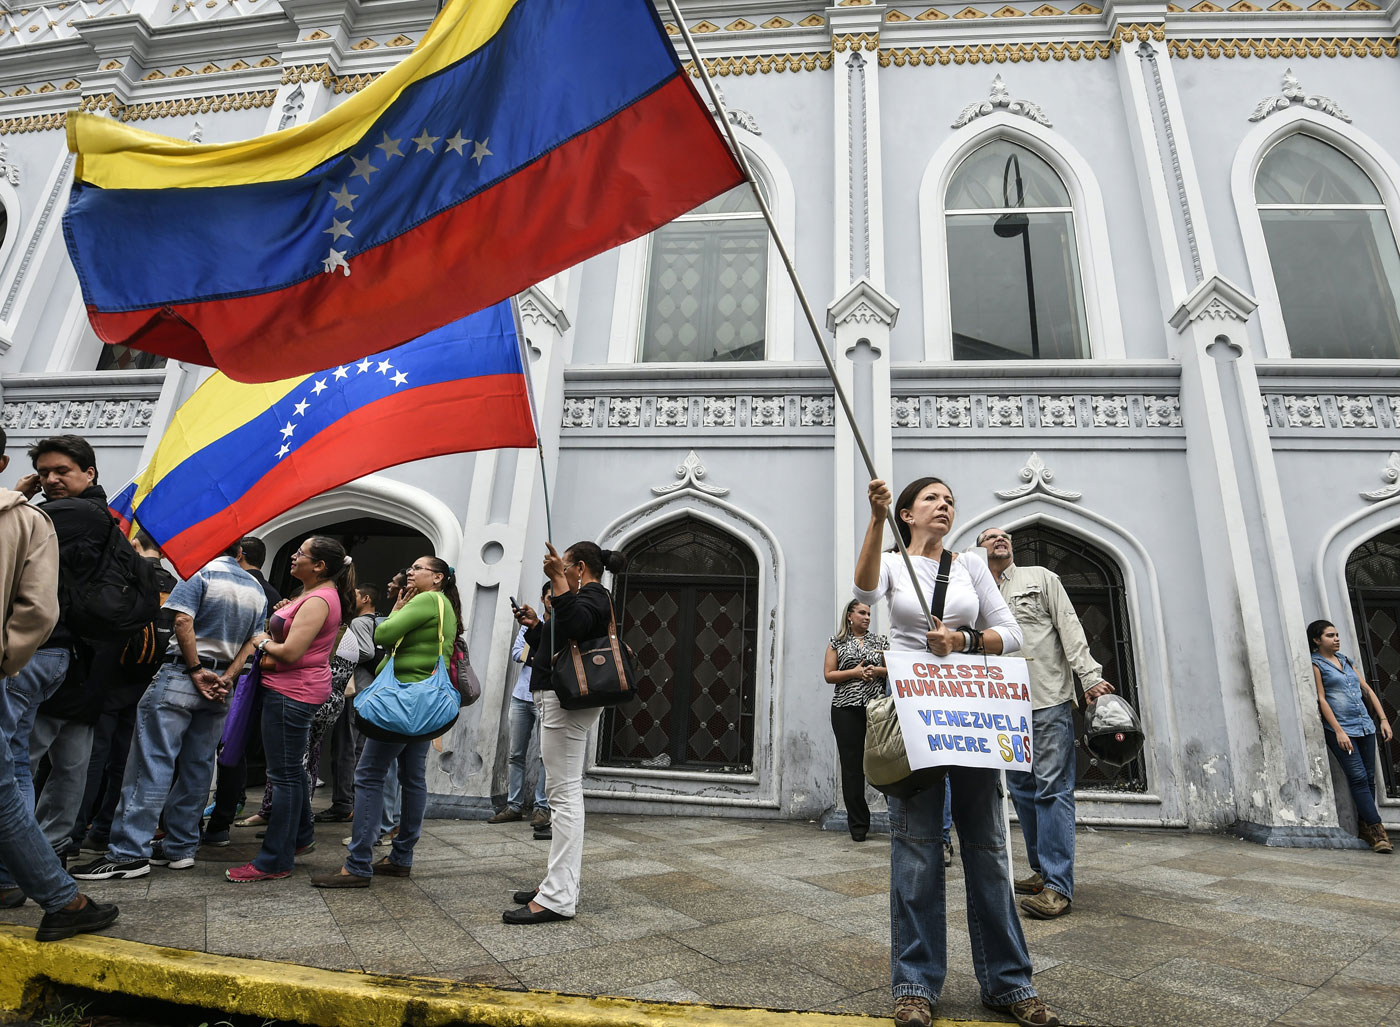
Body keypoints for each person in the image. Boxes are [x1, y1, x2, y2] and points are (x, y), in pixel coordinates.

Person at [855, 478, 1056, 1027]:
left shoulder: (969, 564)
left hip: (972, 712)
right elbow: (866, 590)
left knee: (988, 849)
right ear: (906, 513)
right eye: (931, 500)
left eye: (949, 500)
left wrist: (963, 642)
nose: (944, 506)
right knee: (917, 850)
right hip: (915, 714)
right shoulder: (894, 563)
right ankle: (914, 983)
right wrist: (876, 521)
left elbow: (1012, 634)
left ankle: (1008, 981)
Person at [70, 544, 266, 880]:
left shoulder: (200, 572)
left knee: (151, 762)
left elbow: (181, 621)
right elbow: (255, 639)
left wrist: (194, 669)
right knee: (198, 766)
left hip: (182, 676)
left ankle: (129, 852)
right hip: (221, 685)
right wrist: (228, 676)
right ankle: (181, 846)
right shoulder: (255, 587)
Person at [0, 427, 118, 940]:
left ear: (90, 474)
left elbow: (37, 611)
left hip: (37, 659)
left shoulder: (50, 517)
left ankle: (51, 891)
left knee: (19, 769)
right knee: (19, 768)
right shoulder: (31, 514)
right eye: (43, 472)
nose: (49, 480)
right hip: (46, 660)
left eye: (60, 472)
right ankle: (30, 882)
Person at [978, 527, 1114, 920]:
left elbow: (1070, 627)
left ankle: (1058, 886)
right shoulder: (976, 593)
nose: (1000, 538)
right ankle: (1041, 872)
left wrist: (1088, 676)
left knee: (1053, 789)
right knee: (1021, 789)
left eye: (1004, 535)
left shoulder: (1040, 577)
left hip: (1047, 698)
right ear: (979, 550)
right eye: (990, 536)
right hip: (1002, 706)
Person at [311, 556, 460, 888]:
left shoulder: (426, 600)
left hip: (400, 703)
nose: (410, 571)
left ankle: (358, 863)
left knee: (368, 775)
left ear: (437, 577)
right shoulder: (443, 604)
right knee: (412, 778)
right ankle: (401, 857)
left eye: (418, 568)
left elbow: (384, 633)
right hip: (424, 705)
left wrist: (395, 611)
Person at [504, 541, 627, 925]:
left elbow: (576, 623)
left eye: (565, 566)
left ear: (579, 567)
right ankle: (555, 885)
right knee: (561, 792)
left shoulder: (593, 594)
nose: (559, 570)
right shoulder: (578, 596)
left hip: (565, 702)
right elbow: (560, 643)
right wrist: (537, 627)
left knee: (564, 795)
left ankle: (558, 896)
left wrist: (558, 581)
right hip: (557, 698)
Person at [227, 536, 351, 883]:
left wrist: (260, 640)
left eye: (300, 554)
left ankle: (273, 860)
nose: (293, 557)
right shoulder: (311, 595)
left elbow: (292, 651)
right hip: (292, 689)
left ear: (320, 566)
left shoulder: (320, 599)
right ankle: (298, 837)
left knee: (283, 776)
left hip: (291, 692)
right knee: (293, 773)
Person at [72, 530, 178, 857]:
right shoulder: (176, 586)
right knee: (125, 760)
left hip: (109, 678)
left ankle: (74, 834)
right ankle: (105, 827)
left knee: (91, 758)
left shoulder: (123, 575)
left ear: (134, 544)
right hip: (148, 680)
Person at [204, 536, 278, 839]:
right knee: (235, 746)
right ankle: (224, 817)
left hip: (221, 674)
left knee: (207, 749)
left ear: (239, 555)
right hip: (250, 677)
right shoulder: (270, 591)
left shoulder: (227, 582)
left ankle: (208, 817)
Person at [1308, 620, 1393, 854]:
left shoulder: (1345, 660)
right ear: (1317, 640)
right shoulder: (1317, 664)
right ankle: (1378, 832)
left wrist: (1383, 719)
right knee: (1357, 778)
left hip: (1364, 725)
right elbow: (1322, 699)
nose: (1336, 639)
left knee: (1369, 779)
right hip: (1342, 729)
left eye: (1336, 635)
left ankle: (1366, 826)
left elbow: (1366, 689)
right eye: (1329, 635)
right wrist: (1338, 730)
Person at [490, 584, 552, 833]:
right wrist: (539, 656)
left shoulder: (559, 626)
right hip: (521, 696)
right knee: (516, 754)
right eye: (549, 598)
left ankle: (542, 806)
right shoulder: (529, 625)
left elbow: (552, 654)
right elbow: (518, 653)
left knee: (545, 756)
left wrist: (535, 652)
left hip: (546, 697)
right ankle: (514, 805)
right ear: (542, 598)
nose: (552, 602)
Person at [824, 599, 887, 842]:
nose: (867, 617)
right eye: (862, 612)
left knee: (885, 763)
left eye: (869, 613)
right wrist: (855, 673)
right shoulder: (836, 642)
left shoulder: (880, 641)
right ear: (849, 616)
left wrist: (875, 671)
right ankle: (858, 826)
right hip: (845, 710)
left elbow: (892, 668)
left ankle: (899, 819)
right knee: (852, 770)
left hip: (876, 710)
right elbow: (829, 675)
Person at [316, 584, 379, 823]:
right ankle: (352, 801)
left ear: (365, 598)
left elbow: (366, 651)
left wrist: (340, 650)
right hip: (369, 689)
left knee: (346, 747)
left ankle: (343, 803)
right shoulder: (378, 621)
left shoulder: (359, 623)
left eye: (354, 596)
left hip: (355, 690)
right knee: (358, 747)